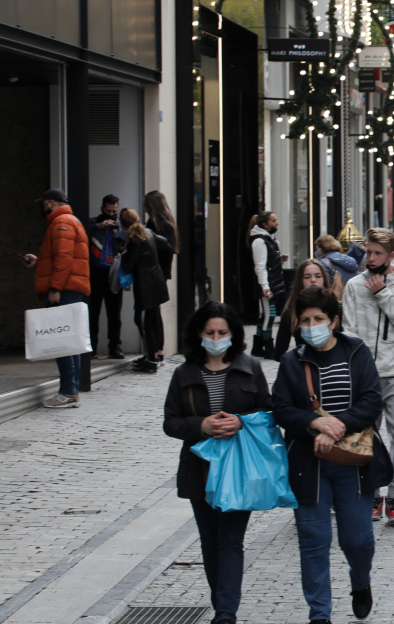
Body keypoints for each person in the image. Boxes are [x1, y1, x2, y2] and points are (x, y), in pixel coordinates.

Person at [272, 287, 394, 624]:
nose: (312, 325)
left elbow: (371, 401)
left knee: (357, 539)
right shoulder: (291, 361)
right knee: (314, 539)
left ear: (333, 320)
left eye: (319, 319)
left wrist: (337, 425)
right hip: (308, 465)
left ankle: (360, 580)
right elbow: (281, 408)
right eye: (306, 319)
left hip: (353, 462)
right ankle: (319, 614)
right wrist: (314, 423)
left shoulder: (356, 352)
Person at [163, 301, 271, 624]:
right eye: (210, 332)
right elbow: (170, 422)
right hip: (200, 469)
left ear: (233, 334)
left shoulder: (249, 367)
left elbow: (268, 412)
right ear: (199, 333)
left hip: (238, 468)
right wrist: (202, 426)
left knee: (231, 542)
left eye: (222, 332)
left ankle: (226, 613)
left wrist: (241, 423)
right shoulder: (184, 373)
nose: (215, 337)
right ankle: (221, 601)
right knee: (210, 542)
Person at [342, 227, 394, 527]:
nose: (371, 258)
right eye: (368, 252)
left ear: (391, 256)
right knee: (365, 436)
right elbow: (349, 330)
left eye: (378, 253)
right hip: (364, 374)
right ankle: (372, 494)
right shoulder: (353, 286)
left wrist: (384, 294)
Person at [22, 189, 91, 408]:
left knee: (62, 342)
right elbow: (60, 256)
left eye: (44, 204)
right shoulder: (68, 221)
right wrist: (39, 259)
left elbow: (64, 258)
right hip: (71, 287)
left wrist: (54, 287)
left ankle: (69, 391)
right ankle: (71, 390)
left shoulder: (62, 222)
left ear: (51, 203)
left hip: (65, 289)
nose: (43, 208)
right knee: (69, 341)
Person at [119, 209, 170, 375]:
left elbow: (128, 264)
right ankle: (150, 355)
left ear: (123, 224)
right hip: (155, 282)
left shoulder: (135, 239)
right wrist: (163, 271)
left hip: (146, 287)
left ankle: (150, 360)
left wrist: (123, 253)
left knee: (144, 322)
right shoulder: (148, 232)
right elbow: (166, 246)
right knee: (150, 321)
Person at [86, 195, 125, 360]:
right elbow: (83, 231)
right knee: (93, 312)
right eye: (108, 211)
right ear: (102, 209)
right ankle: (92, 347)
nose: (111, 215)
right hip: (95, 272)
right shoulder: (93, 223)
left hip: (114, 273)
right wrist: (99, 225)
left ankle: (114, 347)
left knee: (114, 314)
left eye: (114, 212)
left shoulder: (120, 227)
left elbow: (125, 250)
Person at [143, 191, 178, 365]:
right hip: (161, 272)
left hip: (154, 272)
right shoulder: (167, 223)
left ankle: (154, 352)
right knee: (154, 313)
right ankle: (158, 350)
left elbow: (164, 247)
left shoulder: (156, 223)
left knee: (151, 314)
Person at [248, 212, 289, 358]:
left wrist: (280, 258)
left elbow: (269, 262)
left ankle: (258, 347)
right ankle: (267, 347)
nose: (277, 223)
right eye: (274, 220)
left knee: (266, 314)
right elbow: (260, 266)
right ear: (265, 225)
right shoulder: (259, 241)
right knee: (269, 315)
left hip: (272, 282)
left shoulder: (269, 239)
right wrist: (265, 286)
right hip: (268, 284)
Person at [273, 259, 331, 361]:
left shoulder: (335, 309)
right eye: (307, 277)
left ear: (324, 279)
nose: (313, 280)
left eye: (318, 276)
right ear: (301, 280)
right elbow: (279, 352)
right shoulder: (291, 314)